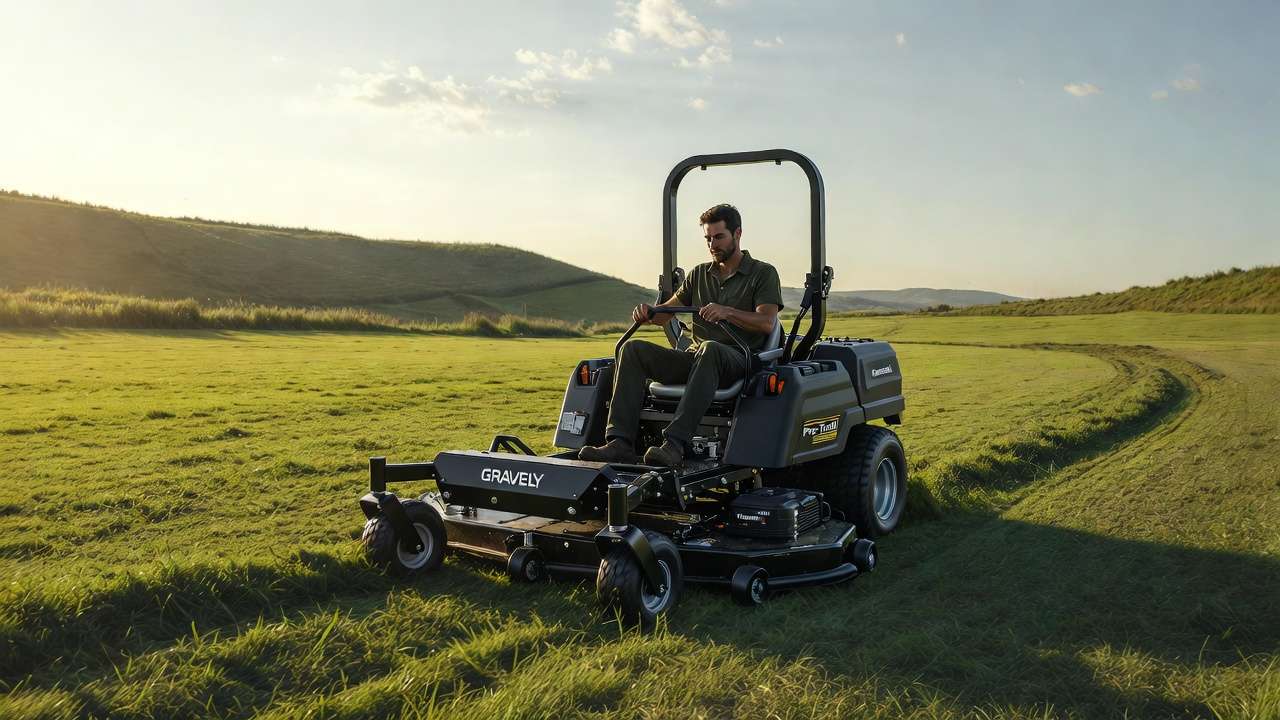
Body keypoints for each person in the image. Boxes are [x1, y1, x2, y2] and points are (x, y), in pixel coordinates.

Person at [579, 204, 784, 467]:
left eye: (719, 237)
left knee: (710, 348)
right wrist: (649, 312)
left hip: (740, 359)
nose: (712, 244)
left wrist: (727, 312)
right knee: (633, 350)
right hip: (698, 359)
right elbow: (668, 312)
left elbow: (767, 322)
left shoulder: (762, 273)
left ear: (738, 234)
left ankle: (674, 445)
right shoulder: (699, 274)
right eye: (708, 239)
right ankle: (619, 442)